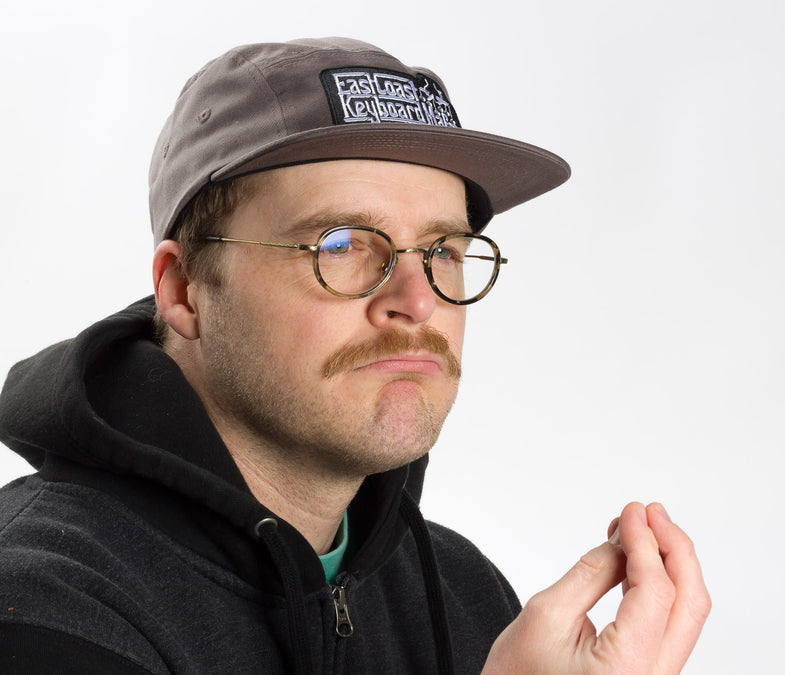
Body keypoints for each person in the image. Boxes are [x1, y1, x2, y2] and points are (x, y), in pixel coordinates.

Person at [0, 37, 709, 674]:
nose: (417, 300)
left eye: (441, 251)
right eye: (340, 245)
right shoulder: (41, 608)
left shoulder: (464, 600)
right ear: (184, 290)